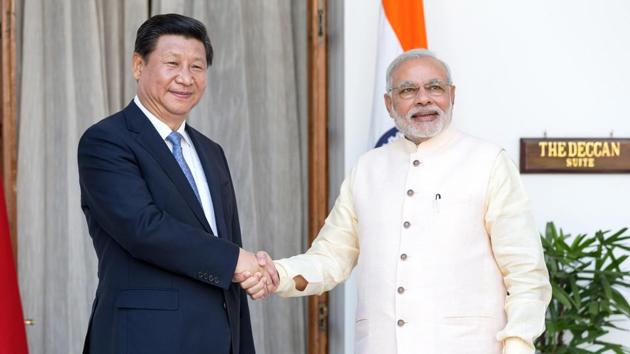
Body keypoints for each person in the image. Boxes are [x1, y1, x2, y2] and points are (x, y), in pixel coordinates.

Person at [238, 49, 552, 354]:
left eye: (434, 87)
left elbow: (526, 273)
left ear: (452, 95)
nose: (424, 98)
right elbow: (331, 256)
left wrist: (518, 345)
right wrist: (278, 274)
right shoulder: (368, 168)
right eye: (408, 90)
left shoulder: (488, 162)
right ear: (389, 104)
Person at [78, 14, 276, 354]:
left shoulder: (211, 152)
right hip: (142, 339)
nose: (185, 78)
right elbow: (143, 228)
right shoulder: (106, 141)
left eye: (197, 67)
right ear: (138, 65)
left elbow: (227, 242)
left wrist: (245, 271)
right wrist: (236, 261)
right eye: (172, 63)